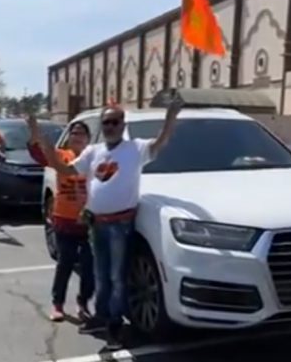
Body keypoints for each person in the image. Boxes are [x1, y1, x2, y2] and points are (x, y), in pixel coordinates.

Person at [33, 99, 181, 349]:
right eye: (106, 122)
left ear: (123, 124)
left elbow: (160, 143)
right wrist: (43, 142)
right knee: (101, 275)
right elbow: (65, 169)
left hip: (120, 225)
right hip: (96, 224)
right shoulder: (93, 151)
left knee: (117, 276)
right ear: (102, 127)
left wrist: (171, 118)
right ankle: (101, 317)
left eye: (115, 121)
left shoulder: (136, 148)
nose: (111, 126)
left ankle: (115, 325)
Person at [27, 117, 95, 322]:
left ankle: (83, 303)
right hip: (64, 219)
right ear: (69, 137)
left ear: (88, 138)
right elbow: (38, 154)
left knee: (88, 266)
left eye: (81, 133)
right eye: (73, 133)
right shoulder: (60, 155)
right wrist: (34, 132)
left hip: (88, 221)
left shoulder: (94, 159)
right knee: (65, 263)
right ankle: (58, 305)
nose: (77, 136)